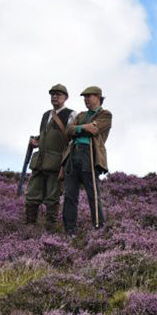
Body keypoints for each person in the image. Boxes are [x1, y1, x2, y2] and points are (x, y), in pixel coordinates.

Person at [24, 84, 77, 229]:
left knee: (52, 198)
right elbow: (46, 134)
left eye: (58, 94)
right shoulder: (46, 114)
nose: (55, 96)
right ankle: (29, 229)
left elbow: (72, 139)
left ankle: (50, 231)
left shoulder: (71, 114)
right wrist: (37, 141)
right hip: (40, 162)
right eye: (52, 94)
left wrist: (66, 163)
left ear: (66, 97)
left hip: (56, 164)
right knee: (31, 196)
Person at [62, 85, 112, 235]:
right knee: (70, 195)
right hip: (74, 156)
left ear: (98, 97)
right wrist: (82, 127)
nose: (86, 100)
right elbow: (68, 130)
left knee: (93, 194)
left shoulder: (106, 114)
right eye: (84, 97)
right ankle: (70, 231)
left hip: (89, 156)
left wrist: (78, 128)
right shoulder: (81, 115)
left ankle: (99, 228)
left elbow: (95, 129)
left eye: (89, 96)